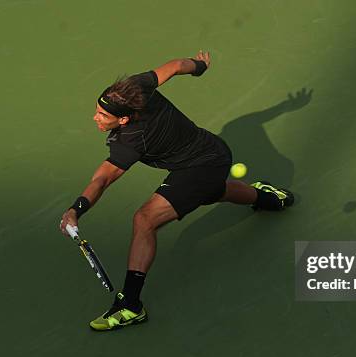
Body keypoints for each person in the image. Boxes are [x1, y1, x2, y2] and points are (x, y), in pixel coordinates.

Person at [59, 51, 294, 331]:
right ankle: (268, 197)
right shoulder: (134, 89)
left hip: (202, 166)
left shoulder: (132, 141)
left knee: (145, 220)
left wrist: (76, 210)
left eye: (102, 115)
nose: (95, 117)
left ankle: (131, 305)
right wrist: (199, 66)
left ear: (123, 121)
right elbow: (174, 67)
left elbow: (102, 180)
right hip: (210, 151)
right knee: (212, 192)